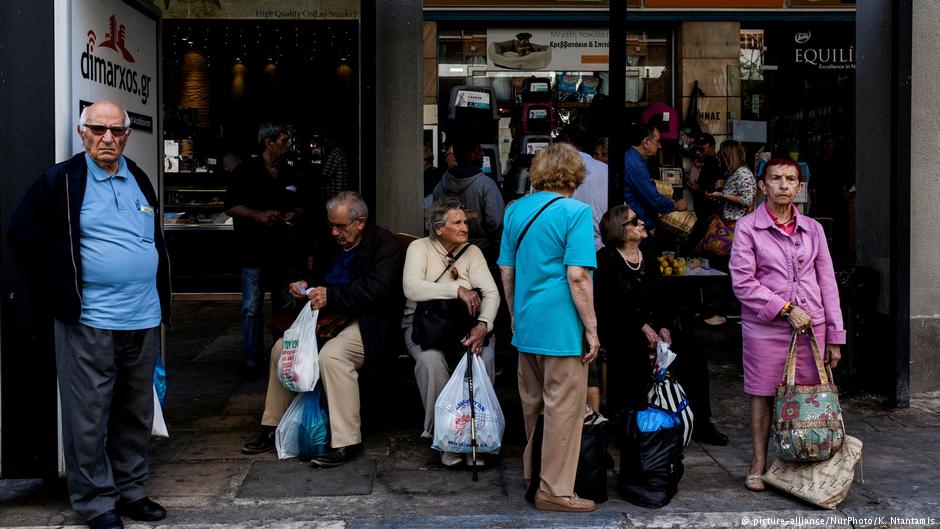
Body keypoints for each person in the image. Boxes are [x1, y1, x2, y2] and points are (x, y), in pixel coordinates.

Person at [8, 100, 170, 529]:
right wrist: (59, 284)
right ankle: (96, 502)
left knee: (135, 412)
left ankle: (131, 490)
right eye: (98, 129)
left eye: (116, 131)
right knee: (88, 415)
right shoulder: (61, 180)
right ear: (82, 133)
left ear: (127, 136)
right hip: (89, 319)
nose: (107, 138)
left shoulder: (138, 178)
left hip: (143, 316)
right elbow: (21, 234)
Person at [241, 192, 404, 467]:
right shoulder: (331, 243)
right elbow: (318, 274)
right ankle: (272, 426)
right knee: (282, 349)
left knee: (333, 357)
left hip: (366, 321)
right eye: (332, 225)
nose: (334, 232)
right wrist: (304, 284)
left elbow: (378, 289)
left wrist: (333, 295)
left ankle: (347, 441)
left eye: (340, 226)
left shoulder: (384, 244)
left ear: (360, 222)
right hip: (326, 318)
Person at [729, 158, 845, 492]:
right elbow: (742, 282)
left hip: (811, 326)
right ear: (762, 185)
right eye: (775, 178)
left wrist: (835, 335)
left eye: (790, 179)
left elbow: (827, 283)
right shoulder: (748, 227)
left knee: (809, 398)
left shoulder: (813, 229)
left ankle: (802, 464)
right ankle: (758, 463)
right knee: (763, 394)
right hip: (765, 327)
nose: (783, 185)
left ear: (799, 187)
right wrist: (784, 308)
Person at [498, 143, 599, 513]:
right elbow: (578, 276)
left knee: (534, 406)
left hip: (527, 325)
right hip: (562, 327)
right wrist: (592, 328)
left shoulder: (514, 210)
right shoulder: (576, 212)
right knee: (564, 410)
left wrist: (514, 314)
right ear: (575, 176)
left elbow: (507, 269)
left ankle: (534, 476)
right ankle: (555, 489)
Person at [593, 205, 729, 446]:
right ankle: (632, 423)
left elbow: (662, 297)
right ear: (619, 230)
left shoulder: (647, 253)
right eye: (634, 221)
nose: (641, 223)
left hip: (654, 324)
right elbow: (609, 305)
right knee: (634, 356)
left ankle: (701, 422)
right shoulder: (606, 259)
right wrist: (642, 327)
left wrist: (664, 326)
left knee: (693, 354)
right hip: (622, 327)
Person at [402, 199, 500, 467]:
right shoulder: (419, 248)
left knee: (482, 358)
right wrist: (456, 290)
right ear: (438, 229)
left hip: (465, 325)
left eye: (465, 222)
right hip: (425, 327)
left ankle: (476, 436)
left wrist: (483, 324)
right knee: (430, 362)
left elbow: (491, 293)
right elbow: (412, 287)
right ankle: (446, 437)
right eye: (457, 223)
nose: (464, 227)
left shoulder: (473, 252)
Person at [225, 122, 304, 378]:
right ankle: (252, 359)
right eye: (283, 141)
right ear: (268, 143)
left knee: (284, 303)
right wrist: (259, 215)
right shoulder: (244, 171)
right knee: (251, 306)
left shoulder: (290, 172)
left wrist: (293, 214)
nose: (288, 145)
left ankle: (280, 357)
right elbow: (231, 206)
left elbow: (301, 204)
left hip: (282, 249)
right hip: (252, 248)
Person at [700, 139, 757, 326]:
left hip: (734, 230)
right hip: (730, 228)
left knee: (727, 269)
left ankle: (729, 311)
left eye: (721, 153)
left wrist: (722, 195)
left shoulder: (743, 173)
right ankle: (723, 310)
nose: (718, 156)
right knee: (723, 269)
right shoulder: (736, 173)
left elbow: (746, 199)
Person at [432, 140, 505, 263]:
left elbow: (435, 220)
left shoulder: (440, 187)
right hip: (482, 253)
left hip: (449, 253)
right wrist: (495, 249)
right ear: (471, 155)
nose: (482, 154)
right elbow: (496, 223)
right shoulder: (487, 185)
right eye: (479, 151)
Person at [623, 122, 688, 231]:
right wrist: (676, 205)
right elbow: (652, 198)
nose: (660, 145)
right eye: (657, 141)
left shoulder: (633, 157)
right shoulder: (636, 165)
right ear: (646, 142)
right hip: (637, 225)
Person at [563, 124, 609, 252]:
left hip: (573, 246)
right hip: (604, 245)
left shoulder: (559, 170)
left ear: (567, 141)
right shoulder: (605, 169)